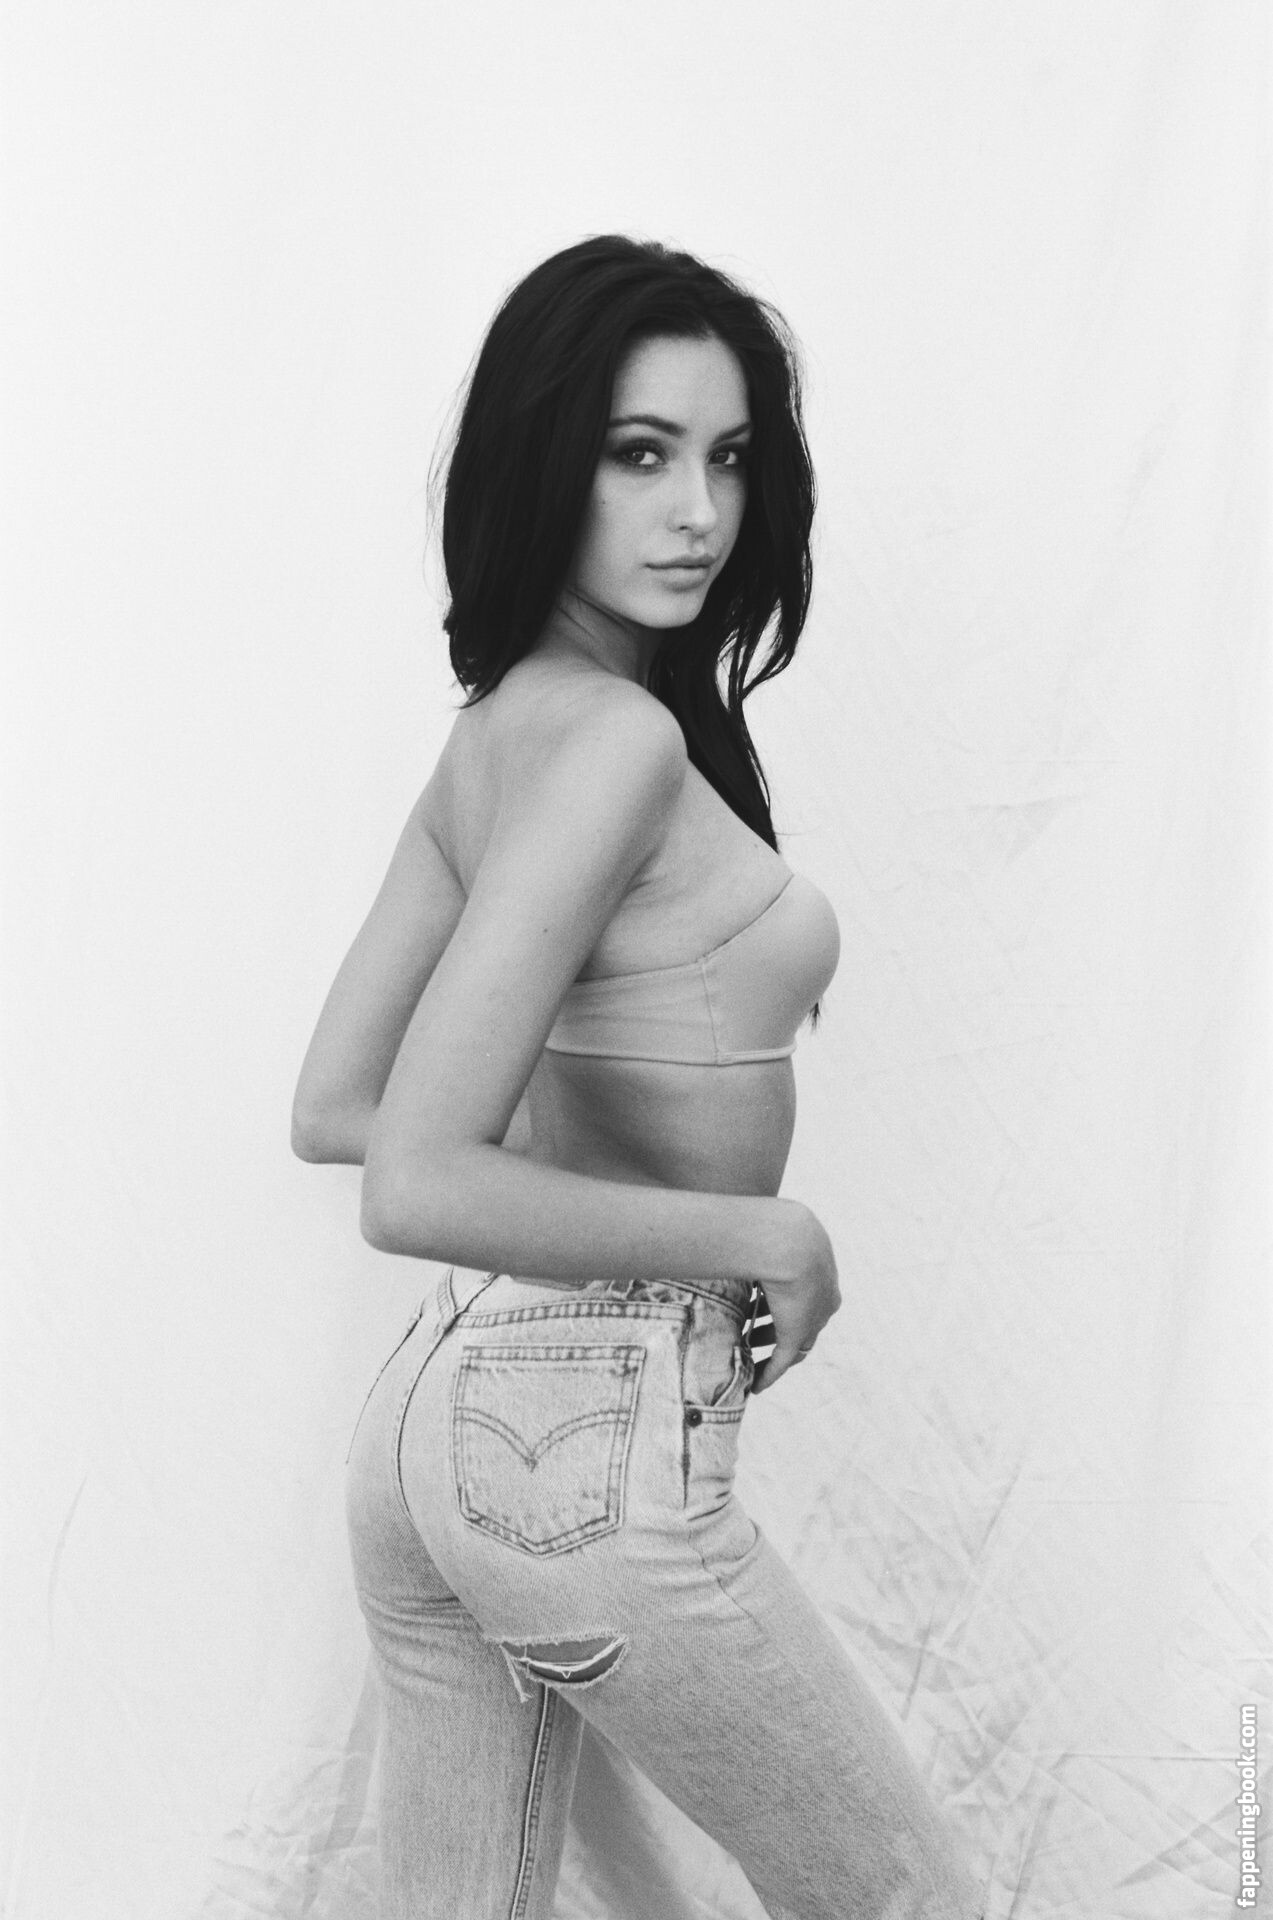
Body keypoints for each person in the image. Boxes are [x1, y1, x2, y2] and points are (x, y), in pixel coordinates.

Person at [292, 235, 981, 1920]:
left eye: (726, 458)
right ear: (546, 462)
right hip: (570, 1429)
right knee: (907, 1899)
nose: (697, 512)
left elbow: (336, 1105)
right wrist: (765, 1233)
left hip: (440, 1413)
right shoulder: (613, 742)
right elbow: (404, 1173)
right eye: (639, 453)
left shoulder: (497, 734)